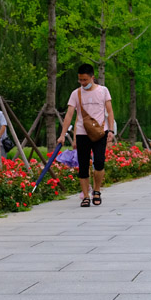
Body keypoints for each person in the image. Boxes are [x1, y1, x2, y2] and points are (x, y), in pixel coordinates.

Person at [57, 64, 115, 207]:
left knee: (99, 163)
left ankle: (97, 190)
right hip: (82, 133)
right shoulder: (76, 94)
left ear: (92, 77)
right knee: (83, 166)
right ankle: (86, 196)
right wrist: (62, 135)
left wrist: (111, 131)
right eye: (80, 80)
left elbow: (109, 111)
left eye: (85, 80)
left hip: (100, 132)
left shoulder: (103, 91)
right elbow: (69, 115)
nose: (82, 83)